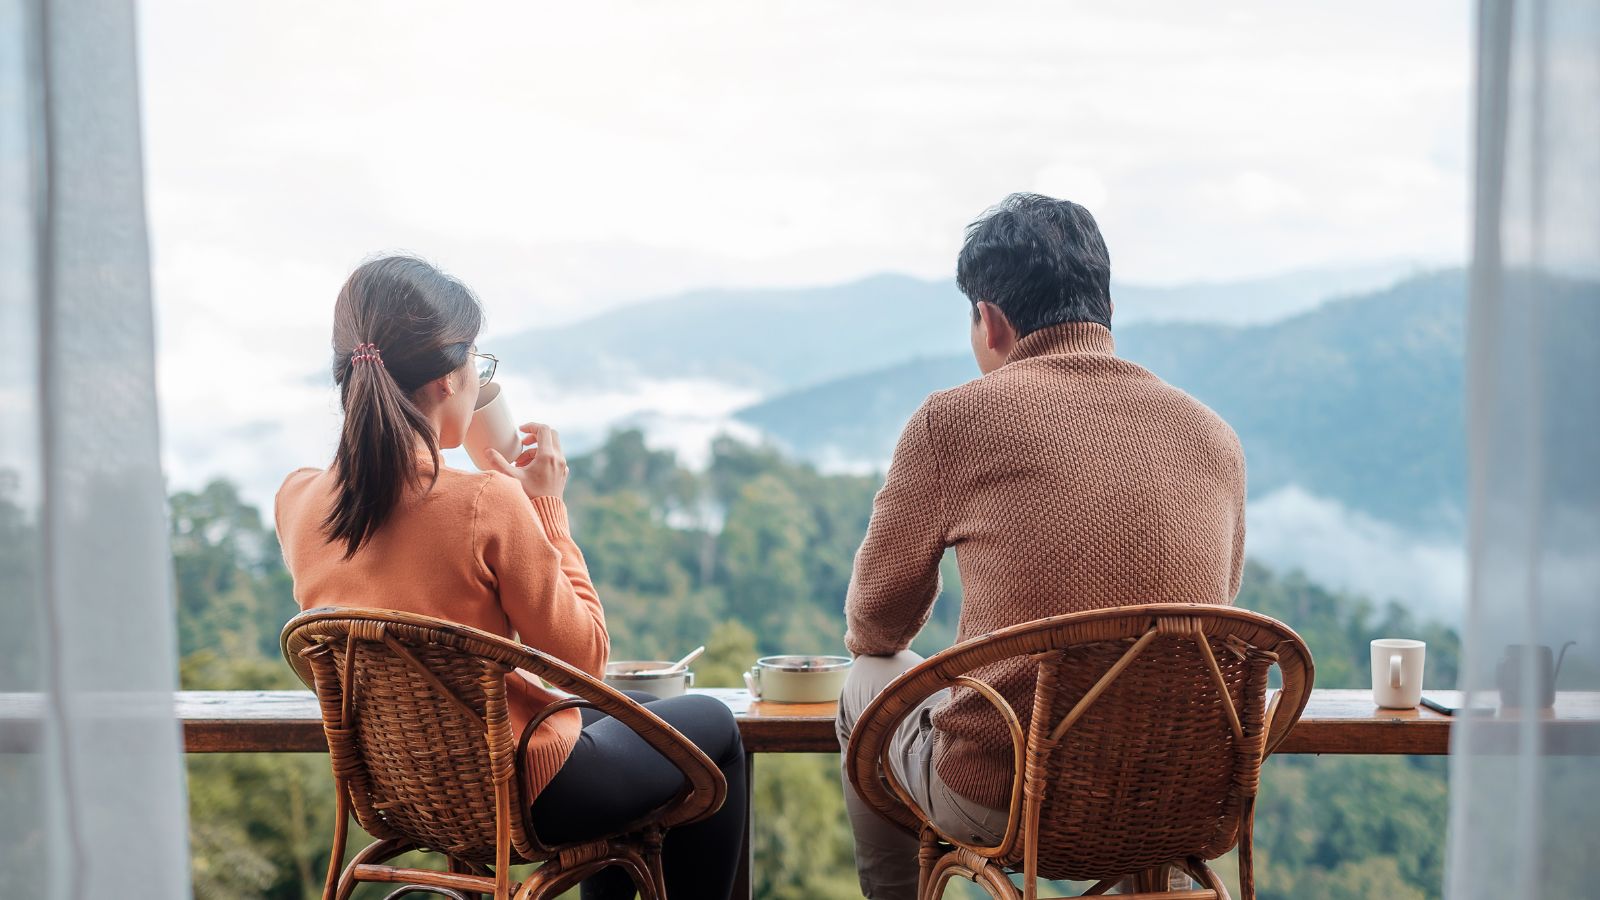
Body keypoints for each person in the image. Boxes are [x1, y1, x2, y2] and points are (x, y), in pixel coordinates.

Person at [275, 255, 745, 900]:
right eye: (480, 366)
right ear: (448, 379)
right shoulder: (485, 502)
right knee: (713, 724)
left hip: (393, 791)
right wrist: (544, 506)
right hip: (520, 791)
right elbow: (584, 661)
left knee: (648, 723)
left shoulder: (297, 500)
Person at [836, 194, 1247, 898]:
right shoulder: (1215, 437)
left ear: (989, 319)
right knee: (1145, 756)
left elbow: (875, 625)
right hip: (1177, 800)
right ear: (1103, 305)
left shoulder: (953, 421)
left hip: (1010, 800)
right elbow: (1203, 623)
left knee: (865, 684)